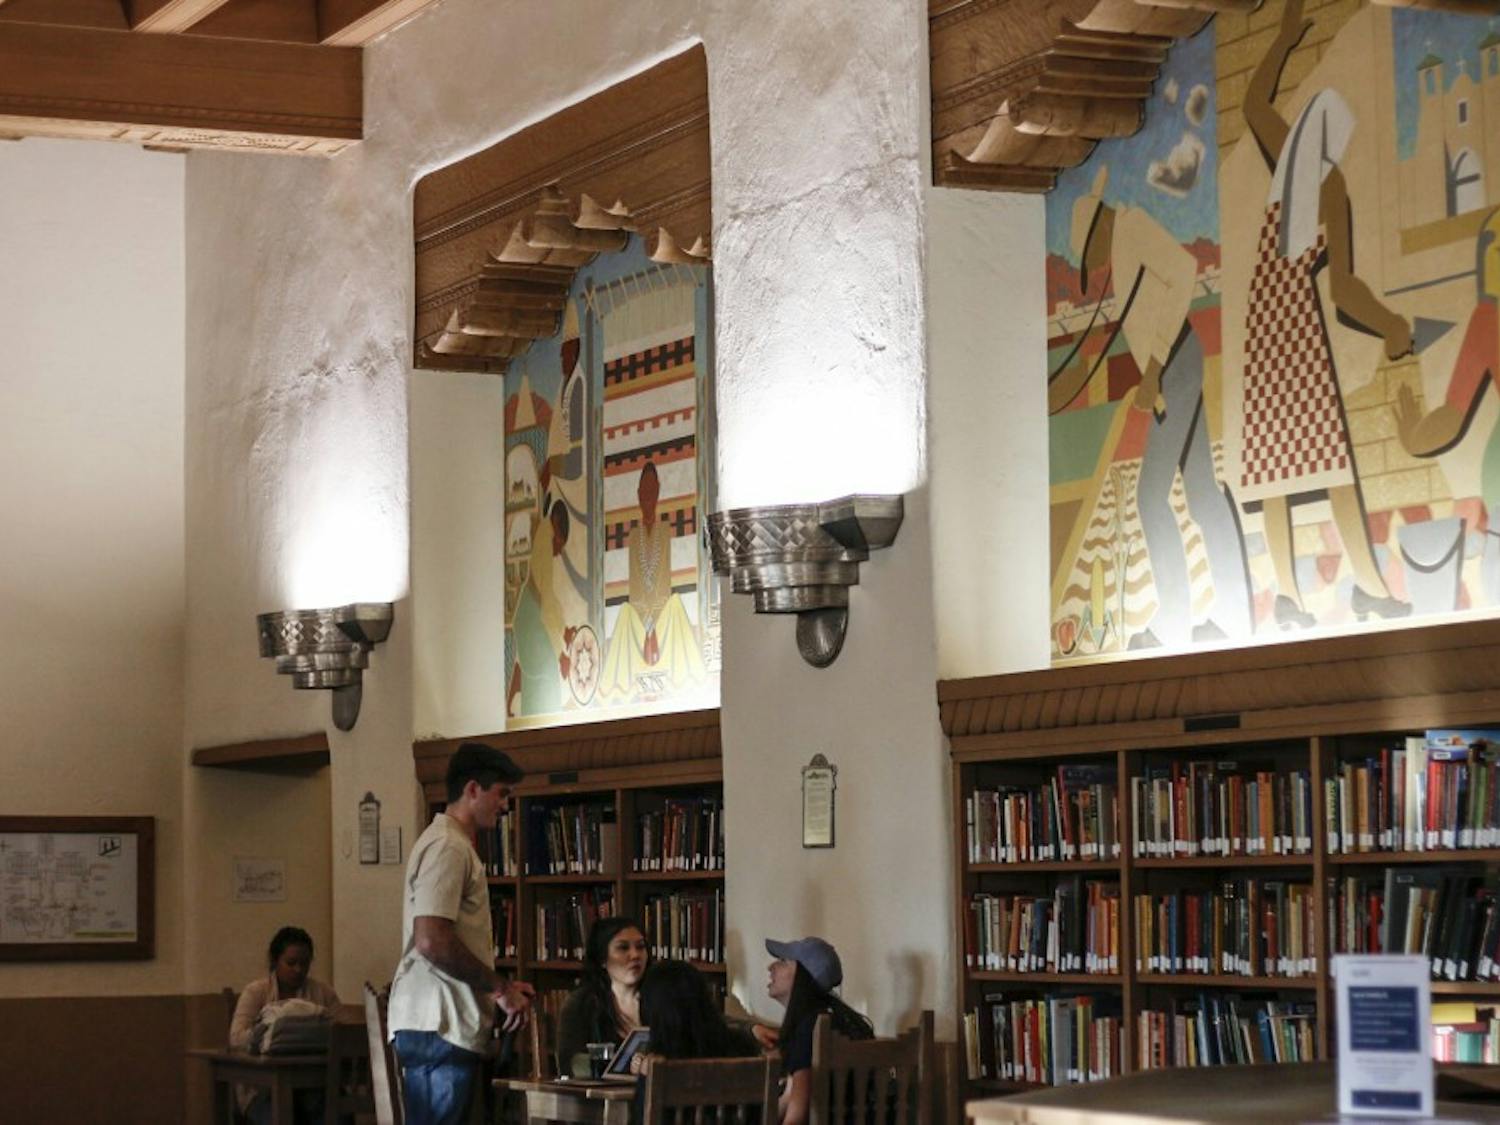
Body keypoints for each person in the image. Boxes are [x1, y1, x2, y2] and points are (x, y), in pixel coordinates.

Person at [1238, 0, 1413, 628]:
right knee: (1294, 468)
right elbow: (1254, 106)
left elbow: (1342, 289)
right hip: (1280, 331)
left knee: (1311, 466)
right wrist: (1282, 41)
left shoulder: (1313, 177)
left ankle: (1347, 587)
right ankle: (1312, 592)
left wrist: (1390, 325)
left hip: (1279, 329)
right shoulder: (1308, 174)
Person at [1052, 163, 1253, 649]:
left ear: (1098, 227)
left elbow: (1183, 273)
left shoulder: (1134, 229)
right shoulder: (1124, 246)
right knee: (1201, 490)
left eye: (1091, 253)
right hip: (1174, 365)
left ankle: (1174, 622)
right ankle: (1234, 613)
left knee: (1150, 496)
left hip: (1175, 363)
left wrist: (1154, 368)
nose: (1096, 263)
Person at [389, 743, 536, 1125]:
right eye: (500, 793)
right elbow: (431, 939)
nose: (505, 805)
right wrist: (499, 989)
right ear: (472, 789)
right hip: (439, 1024)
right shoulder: (448, 846)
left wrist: (500, 987)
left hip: (443, 1023)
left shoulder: (452, 844)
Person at [229, 925, 340, 1124]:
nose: (298, 969)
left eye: (304, 963)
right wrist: (264, 1036)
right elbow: (236, 1037)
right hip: (261, 1088)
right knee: (276, 1115)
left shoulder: (323, 993)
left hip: (313, 1084)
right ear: (275, 961)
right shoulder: (256, 992)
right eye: (291, 963)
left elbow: (341, 1034)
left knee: (335, 1111)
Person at [764, 936, 872, 1125]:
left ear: (803, 976)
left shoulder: (810, 1027)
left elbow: (797, 1117)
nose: (771, 967)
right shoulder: (843, 1019)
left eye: (783, 961)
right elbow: (790, 1098)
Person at [555, 915, 650, 1078]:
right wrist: (626, 1066)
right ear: (602, 959)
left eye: (641, 947)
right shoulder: (582, 1003)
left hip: (655, 1090)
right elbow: (569, 1063)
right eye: (623, 948)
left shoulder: (661, 997)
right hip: (596, 1093)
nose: (635, 955)